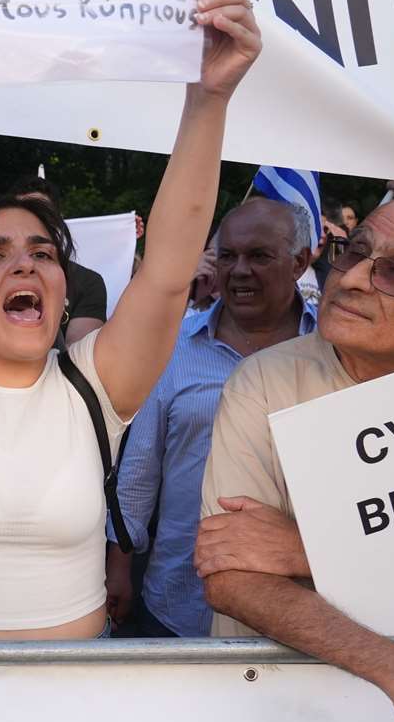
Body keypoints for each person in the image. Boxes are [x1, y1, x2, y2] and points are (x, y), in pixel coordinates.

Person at [0, 0, 261, 640]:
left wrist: (209, 96)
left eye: (42, 252)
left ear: (64, 284)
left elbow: (165, 276)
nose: (24, 265)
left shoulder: (94, 387)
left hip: (82, 715)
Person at [197, 192, 394, 722]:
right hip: (281, 716)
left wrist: (308, 550)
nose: (350, 280)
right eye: (355, 252)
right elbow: (233, 577)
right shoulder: (265, 379)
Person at [106, 199, 317, 637]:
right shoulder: (172, 349)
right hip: (180, 604)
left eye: (259, 256)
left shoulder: (335, 350)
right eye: (227, 256)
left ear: (300, 263)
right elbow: (139, 473)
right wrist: (119, 567)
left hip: (307, 611)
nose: (239, 270)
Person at [7, 175, 110, 345]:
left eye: (42, 214)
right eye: (23, 214)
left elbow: (77, 356)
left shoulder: (87, 281)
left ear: (58, 220)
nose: (32, 221)